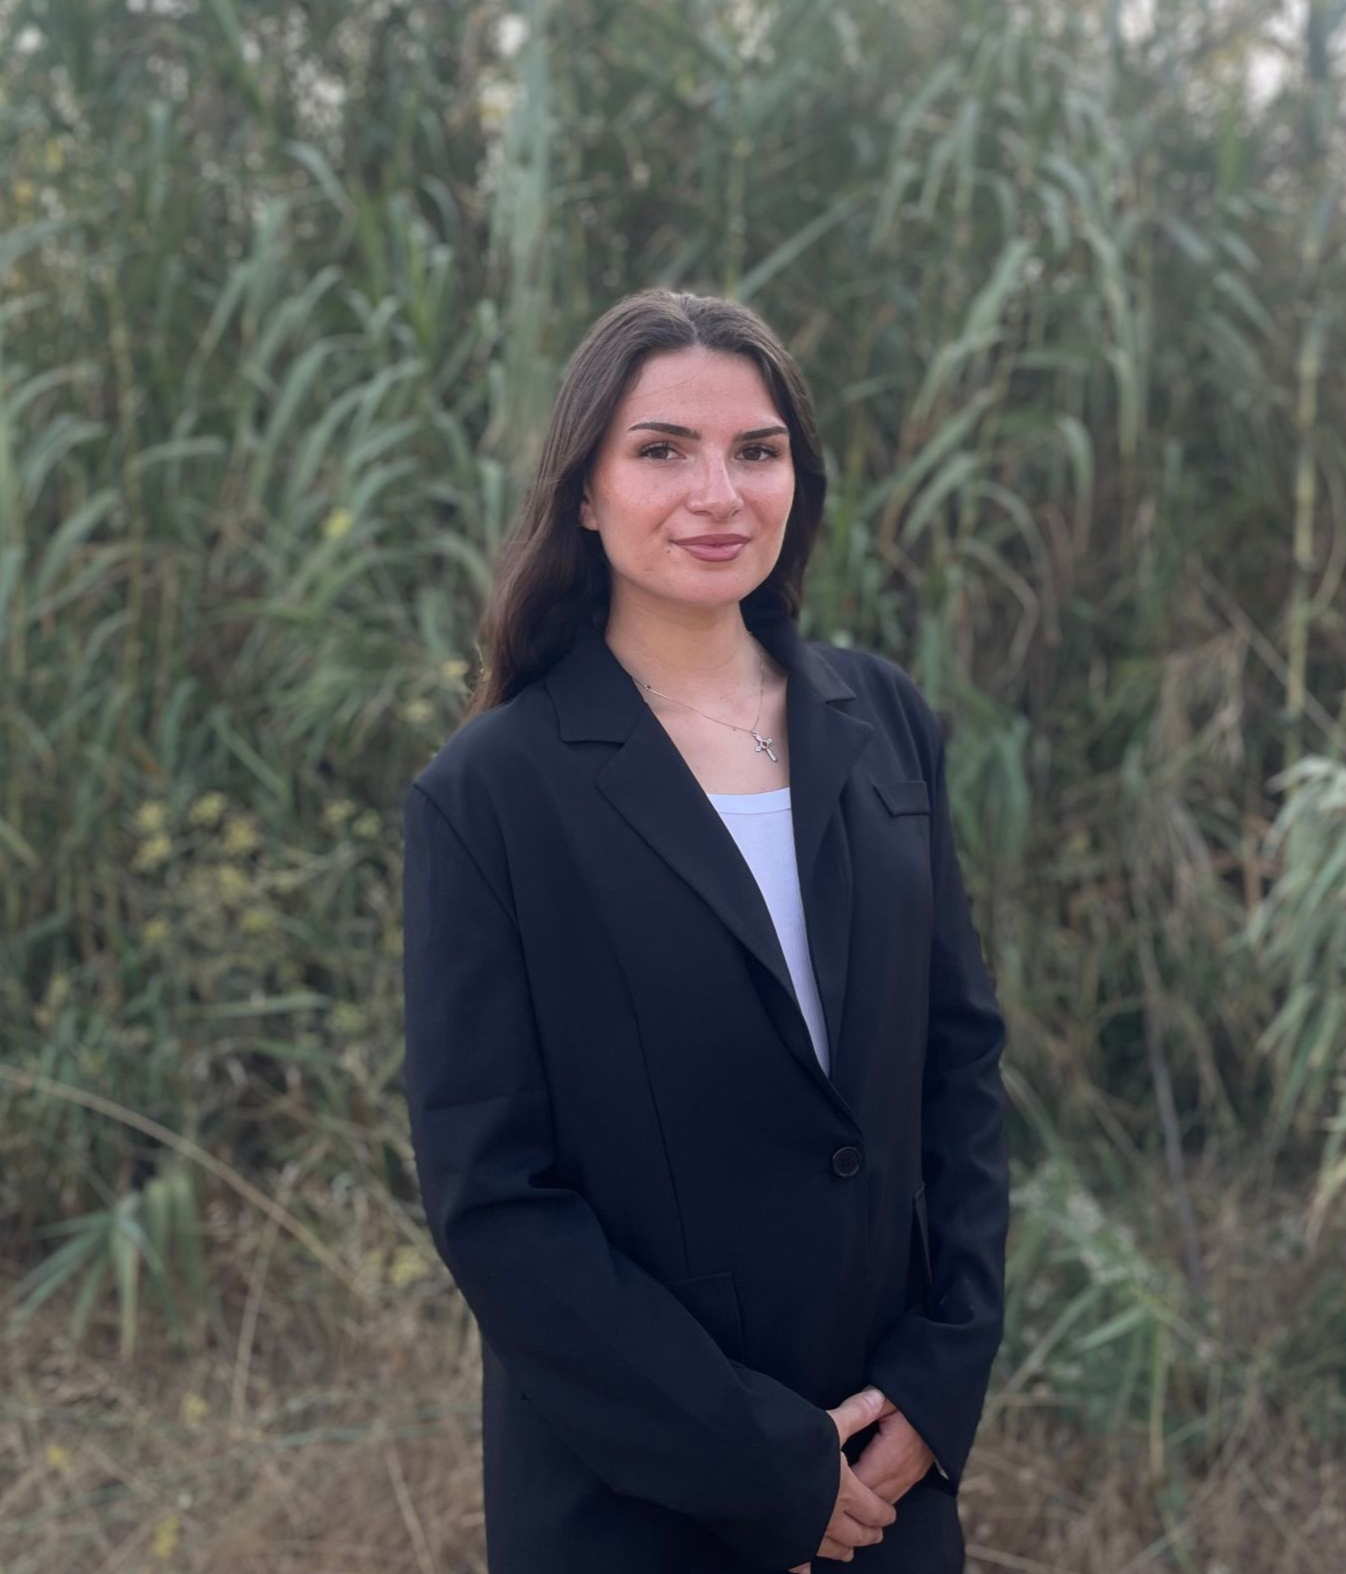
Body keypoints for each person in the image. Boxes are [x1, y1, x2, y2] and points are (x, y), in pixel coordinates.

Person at [400, 287, 1009, 1572]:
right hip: (636, 1494)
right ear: (584, 489)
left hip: (884, 1472)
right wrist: (752, 1457)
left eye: (757, 449)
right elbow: (495, 1197)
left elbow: (958, 1066)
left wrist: (941, 1375)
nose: (717, 492)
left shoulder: (883, 719)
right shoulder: (493, 792)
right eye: (661, 449)